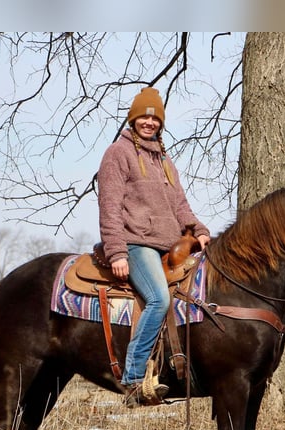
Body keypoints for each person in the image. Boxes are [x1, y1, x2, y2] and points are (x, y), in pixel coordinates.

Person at [97, 87, 210, 406]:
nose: (149, 122)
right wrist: (117, 251)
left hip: (170, 245)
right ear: (133, 118)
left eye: (155, 117)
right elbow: (109, 205)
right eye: (144, 116)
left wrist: (198, 229)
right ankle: (132, 379)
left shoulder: (163, 159)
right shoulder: (117, 153)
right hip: (137, 244)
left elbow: (180, 205)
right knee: (159, 299)